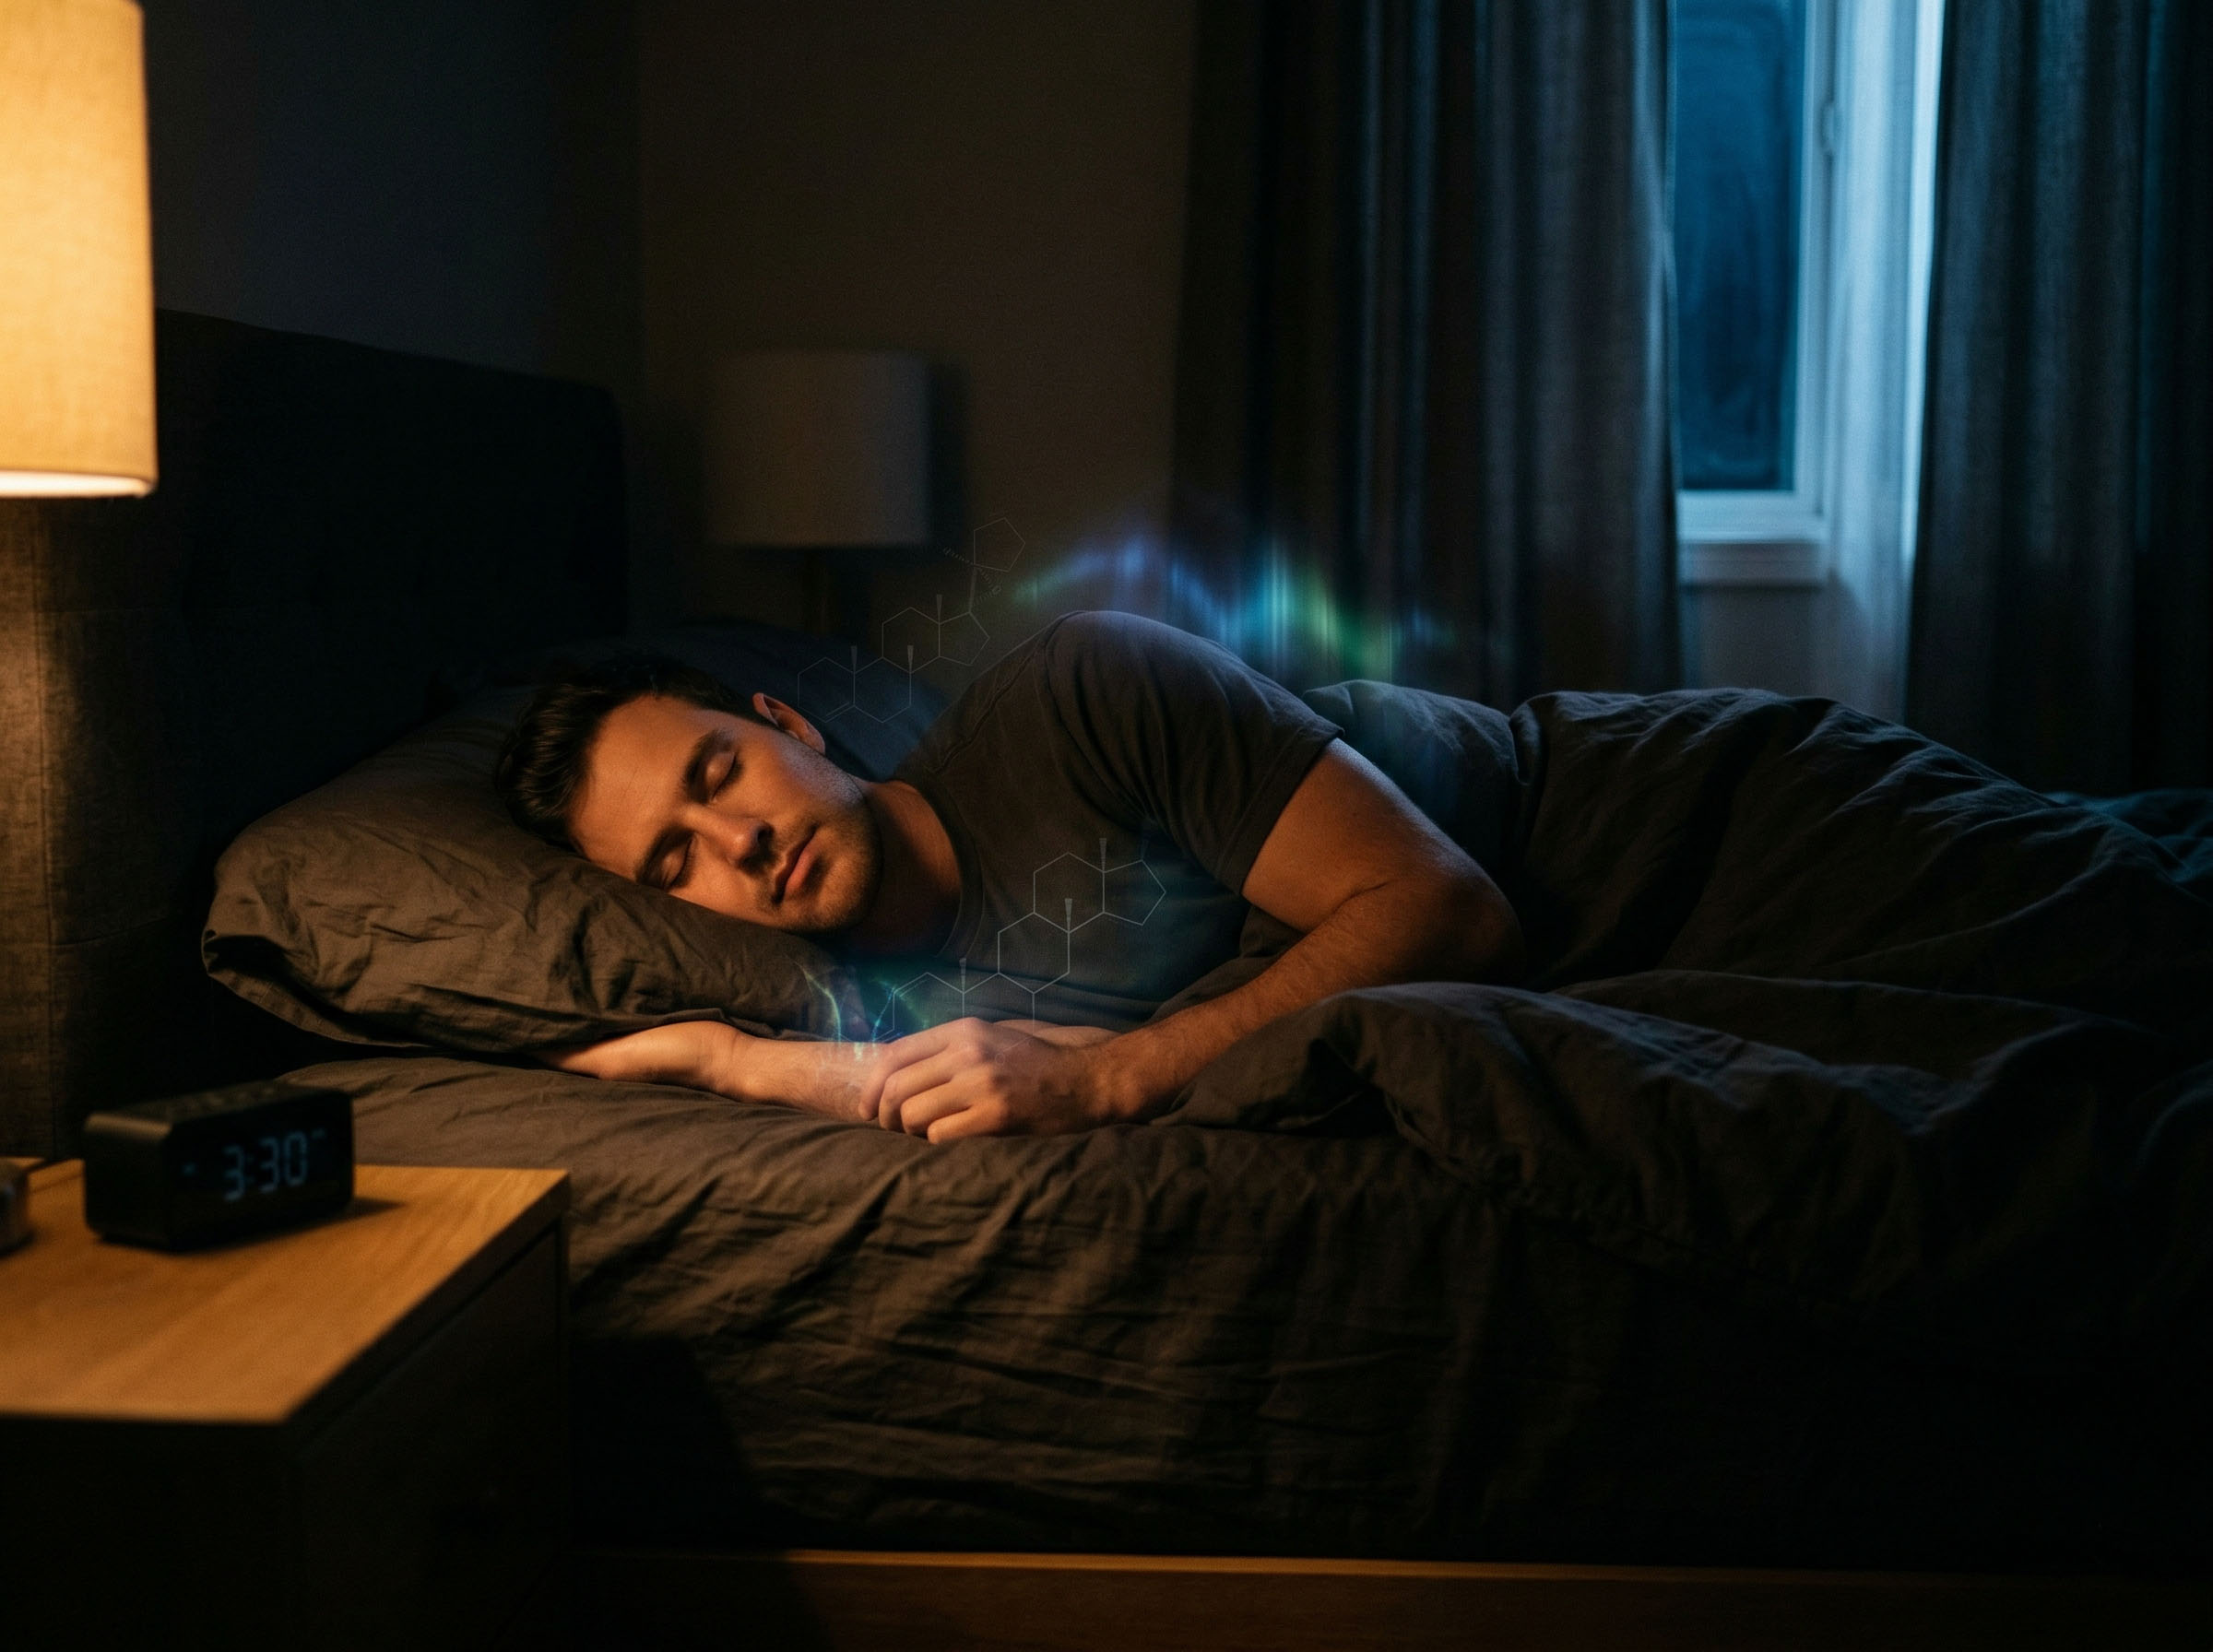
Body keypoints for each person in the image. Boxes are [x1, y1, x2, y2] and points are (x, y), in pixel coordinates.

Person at [496, 611, 1523, 1140]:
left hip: (1618, 811)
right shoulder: (851, 1008)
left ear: (791, 725)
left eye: (721, 772)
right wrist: (724, 1059)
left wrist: (1111, 1076)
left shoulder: (1084, 689)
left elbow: (1449, 906)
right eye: (676, 862)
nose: (739, 841)